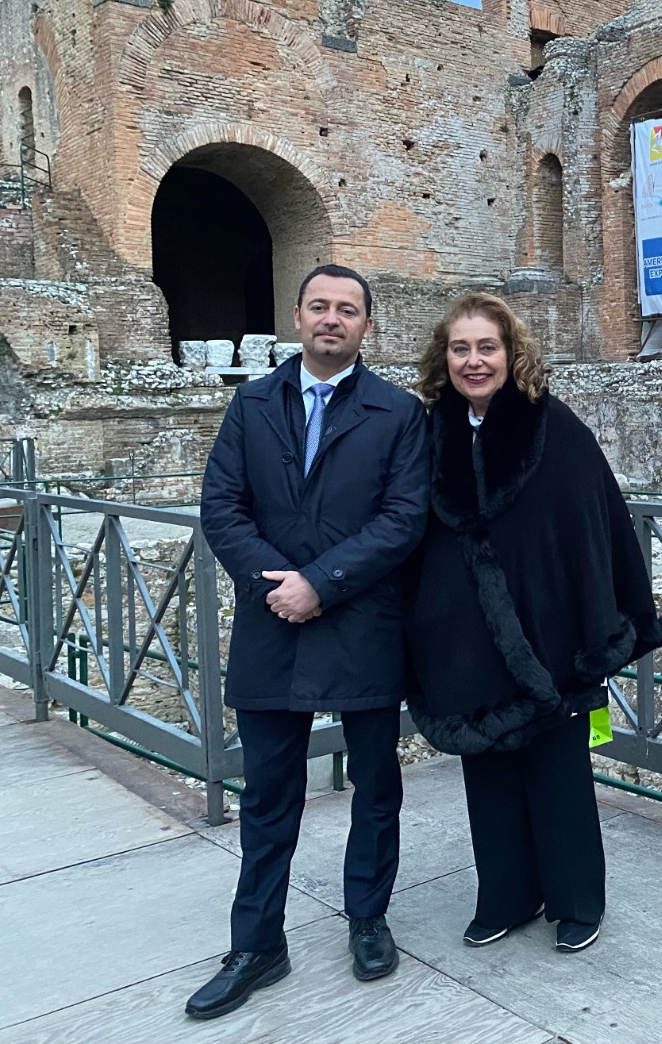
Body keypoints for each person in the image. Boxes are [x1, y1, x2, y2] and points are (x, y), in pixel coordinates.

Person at [187, 265, 429, 1019]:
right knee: (267, 795)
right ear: (297, 316)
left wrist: (320, 582)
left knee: (375, 788)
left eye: (347, 310)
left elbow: (403, 517)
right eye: (320, 306)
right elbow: (221, 505)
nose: (332, 319)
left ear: (366, 325)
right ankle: (258, 943)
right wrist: (276, 587)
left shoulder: (398, 412)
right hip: (272, 626)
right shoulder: (251, 404)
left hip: (359, 624)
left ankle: (368, 918)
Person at [404, 292, 662, 952]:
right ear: (444, 357)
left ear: (510, 352)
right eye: (460, 349)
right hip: (465, 634)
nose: (473, 361)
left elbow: (595, 524)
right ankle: (507, 895)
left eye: (486, 347)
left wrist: (600, 625)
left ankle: (577, 900)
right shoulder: (429, 431)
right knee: (488, 772)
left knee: (559, 777)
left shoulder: (555, 427)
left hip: (552, 633)